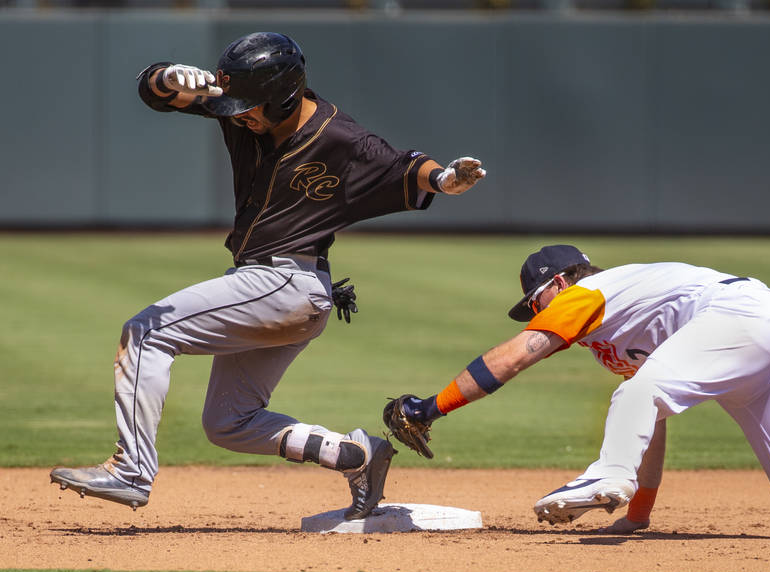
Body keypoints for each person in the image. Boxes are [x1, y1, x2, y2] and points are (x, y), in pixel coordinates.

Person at [49, 32, 486, 517]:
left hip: (285, 283)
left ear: (284, 97)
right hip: (284, 293)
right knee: (228, 423)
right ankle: (356, 454)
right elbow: (158, 93)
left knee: (146, 332)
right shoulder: (240, 110)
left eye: (249, 105)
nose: (238, 113)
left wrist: (446, 180)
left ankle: (130, 471)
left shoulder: (341, 137)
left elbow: (403, 167)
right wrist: (167, 76)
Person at [386, 244, 770, 532]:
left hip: (745, 319)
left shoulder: (587, 294)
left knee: (636, 394)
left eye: (535, 300)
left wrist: (430, 406)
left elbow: (521, 352)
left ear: (556, 284)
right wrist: (637, 516)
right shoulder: (616, 336)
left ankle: (604, 475)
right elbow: (650, 418)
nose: (537, 312)